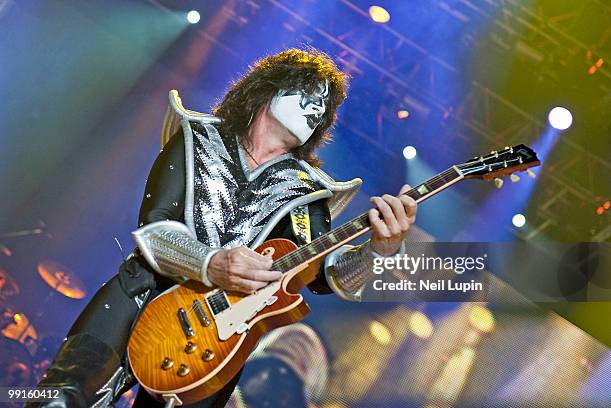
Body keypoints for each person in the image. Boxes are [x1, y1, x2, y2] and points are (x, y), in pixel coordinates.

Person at [26, 48, 417, 407]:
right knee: (57, 400)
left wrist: (381, 250)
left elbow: (324, 276)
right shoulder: (197, 138)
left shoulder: (310, 191)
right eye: (309, 94)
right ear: (269, 88)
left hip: (217, 342)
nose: (316, 110)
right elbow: (155, 229)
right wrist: (210, 263)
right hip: (139, 296)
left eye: (324, 108)